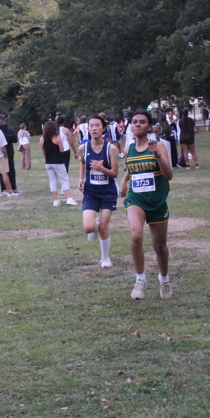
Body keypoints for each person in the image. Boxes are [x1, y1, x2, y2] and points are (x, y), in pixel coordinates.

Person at [121, 110, 174, 300]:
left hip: (157, 201)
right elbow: (132, 169)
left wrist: (157, 155)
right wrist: (124, 182)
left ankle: (164, 279)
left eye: (142, 122)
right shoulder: (128, 150)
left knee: (159, 246)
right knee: (136, 236)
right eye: (134, 122)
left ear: (149, 126)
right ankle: (140, 279)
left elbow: (169, 175)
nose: (137, 124)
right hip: (136, 199)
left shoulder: (158, 146)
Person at [78, 115, 120, 268]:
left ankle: (105, 258)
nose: (94, 128)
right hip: (90, 192)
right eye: (91, 126)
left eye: (97, 125)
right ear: (88, 129)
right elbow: (83, 163)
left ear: (103, 128)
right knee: (89, 228)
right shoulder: (83, 148)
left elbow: (114, 173)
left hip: (108, 192)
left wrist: (102, 168)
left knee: (103, 227)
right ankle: (95, 224)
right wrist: (81, 179)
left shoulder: (111, 148)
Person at [41, 119, 76, 206]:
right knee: (64, 179)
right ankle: (69, 198)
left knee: (52, 181)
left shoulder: (42, 139)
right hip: (58, 162)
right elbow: (62, 150)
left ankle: (55, 200)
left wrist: (47, 159)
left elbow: (44, 153)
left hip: (48, 162)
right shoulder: (57, 138)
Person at [0, 114, 19, 193]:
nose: (4, 120)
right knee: (4, 172)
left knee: (12, 171)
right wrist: (9, 137)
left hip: (10, 154)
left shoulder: (8, 130)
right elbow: (5, 139)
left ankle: (14, 187)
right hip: (2, 154)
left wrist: (9, 137)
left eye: (5, 119)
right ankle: (4, 188)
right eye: (2, 119)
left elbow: (15, 139)